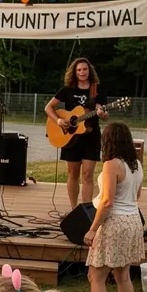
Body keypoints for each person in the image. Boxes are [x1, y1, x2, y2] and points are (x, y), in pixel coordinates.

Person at [74, 122, 144, 292]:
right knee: (122, 276)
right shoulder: (136, 165)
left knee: (96, 276)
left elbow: (107, 201)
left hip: (115, 222)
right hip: (133, 220)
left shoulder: (111, 164)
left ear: (108, 140)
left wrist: (93, 229)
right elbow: (137, 194)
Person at [45, 58, 107, 210]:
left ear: (89, 70)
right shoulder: (68, 89)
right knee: (72, 174)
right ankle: (74, 210)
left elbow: (105, 115)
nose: (82, 72)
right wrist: (59, 121)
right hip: (71, 137)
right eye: (79, 70)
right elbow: (48, 108)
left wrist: (101, 113)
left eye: (84, 69)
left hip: (91, 136)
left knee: (87, 174)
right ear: (74, 72)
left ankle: (86, 210)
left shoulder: (96, 89)